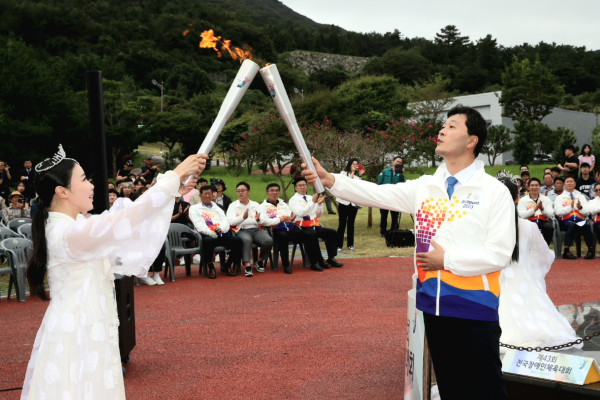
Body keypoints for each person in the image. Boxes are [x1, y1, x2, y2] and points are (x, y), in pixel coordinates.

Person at [303, 105, 515, 400]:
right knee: (451, 388)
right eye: (443, 125)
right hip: (433, 306)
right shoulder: (426, 187)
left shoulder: (493, 192)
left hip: (475, 307)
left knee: (486, 390)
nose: (442, 130)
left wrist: (446, 261)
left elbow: (500, 253)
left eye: (452, 126)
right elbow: (377, 194)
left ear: (471, 140)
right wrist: (332, 181)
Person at [21, 144, 205, 399]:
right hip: (79, 334)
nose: (91, 185)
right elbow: (125, 219)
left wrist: (171, 189)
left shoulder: (72, 225)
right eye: (83, 179)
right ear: (62, 191)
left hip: (84, 326)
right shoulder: (68, 233)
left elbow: (123, 216)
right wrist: (174, 175)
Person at [497, 173, 582, 352]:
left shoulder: (486, 226)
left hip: (493, 282)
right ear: (517, 198)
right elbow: (545, 256)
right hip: (524, 282)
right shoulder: (529, 226)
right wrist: (530, 271)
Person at [258, 183, 321, 274]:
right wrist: (280, 220)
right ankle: (286, 265)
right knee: (283, 236)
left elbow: (290, 216)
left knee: (308, 235)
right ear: (267, 193)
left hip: (291, 228)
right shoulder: (263, 207)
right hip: (276, 230)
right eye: (272, 191)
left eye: (277, 190)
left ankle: (314, 263)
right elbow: (264, 222)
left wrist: (292, 218)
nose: (275, 193)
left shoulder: (283, 204)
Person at [289, 178, 343, 270]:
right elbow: (301, 213)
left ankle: (331, 258)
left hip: (314, 226)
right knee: (312, 234)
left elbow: (318, 215)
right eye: (300, 185)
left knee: (332, 232)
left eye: (304, 185)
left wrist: (320, 205)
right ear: (295, 188)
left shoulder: (310, 198)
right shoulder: (293, 200)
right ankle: (318, 261)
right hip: (302, 227)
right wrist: (313, 203)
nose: (302, 187)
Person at [189, 185, 242, 279]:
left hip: (221, 234)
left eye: (209, 193)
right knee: (208, 241)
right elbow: (199, 226)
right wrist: (212, 233)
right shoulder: (194, 209)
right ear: (200, 195)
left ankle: (227, 265)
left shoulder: (217, 207)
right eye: (205, 194)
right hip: (207, 235)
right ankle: (211, 267)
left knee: (238, 241)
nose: (207, 196)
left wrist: (221, 229)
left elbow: (225, 222)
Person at [227, 182, 273, 277]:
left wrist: (258, 219)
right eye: (238, 191)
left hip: (255, 229)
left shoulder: (255, 205)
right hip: (241, 230)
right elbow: (230, 221)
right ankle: (247, 265)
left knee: (268, 240)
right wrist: (242, 218)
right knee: (246, 240)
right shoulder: (233, 206)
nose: (240, 193)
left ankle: (259, 261)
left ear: (248, 192)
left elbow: (263, 219)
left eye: (243, 191)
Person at [554, 175, 594, 260]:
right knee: (571, 225)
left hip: (579, 221)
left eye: (571, 181)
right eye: (567, 182)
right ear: (564, 184)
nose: (569, 183)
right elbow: (558, 212)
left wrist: (580, 208)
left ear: (575, 184)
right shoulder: (560, 197)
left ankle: (590, 250)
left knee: (586, 226)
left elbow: (587, 212)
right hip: (565, 222)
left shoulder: (581, 196)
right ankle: (566, 251)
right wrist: (570, 207)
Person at [336, 158, 364, 251]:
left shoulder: (356, 178)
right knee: (342, 224)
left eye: (357, 164)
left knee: (351, 224)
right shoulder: (343, 173)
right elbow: (347, 184)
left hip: (353, 203)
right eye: (353, 164)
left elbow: (360, 188)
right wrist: (352, 172)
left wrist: (360, 175)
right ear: (349, 165)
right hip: (343, 202)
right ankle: (338, 245)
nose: (355, 166)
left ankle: (350, 245)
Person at [517, 178, 554, 244]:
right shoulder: (523, 200)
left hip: (543, 221)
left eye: (536, 185)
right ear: (528, 187)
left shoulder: (546, 199)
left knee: (549, 228)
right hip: (529, 222)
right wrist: (534, 209)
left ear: (540, 187)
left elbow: (551, 214)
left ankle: (544, 247)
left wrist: (542, 209)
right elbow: (522, 215)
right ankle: (530, 248)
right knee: (527, 229)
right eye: (532, 185)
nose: (534, 187)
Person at [377, 156, 405, 237]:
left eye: (400, 162)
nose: (398, 163)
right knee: (383, 215)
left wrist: (401, 174)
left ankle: (394, 231)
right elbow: (379, 183)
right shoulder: (385, 171)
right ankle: (383, 232)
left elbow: (403, 184)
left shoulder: (400, 174)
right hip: (385, 196)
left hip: (395, 198)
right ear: (393, 161)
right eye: (397, 161)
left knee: (395, 215)